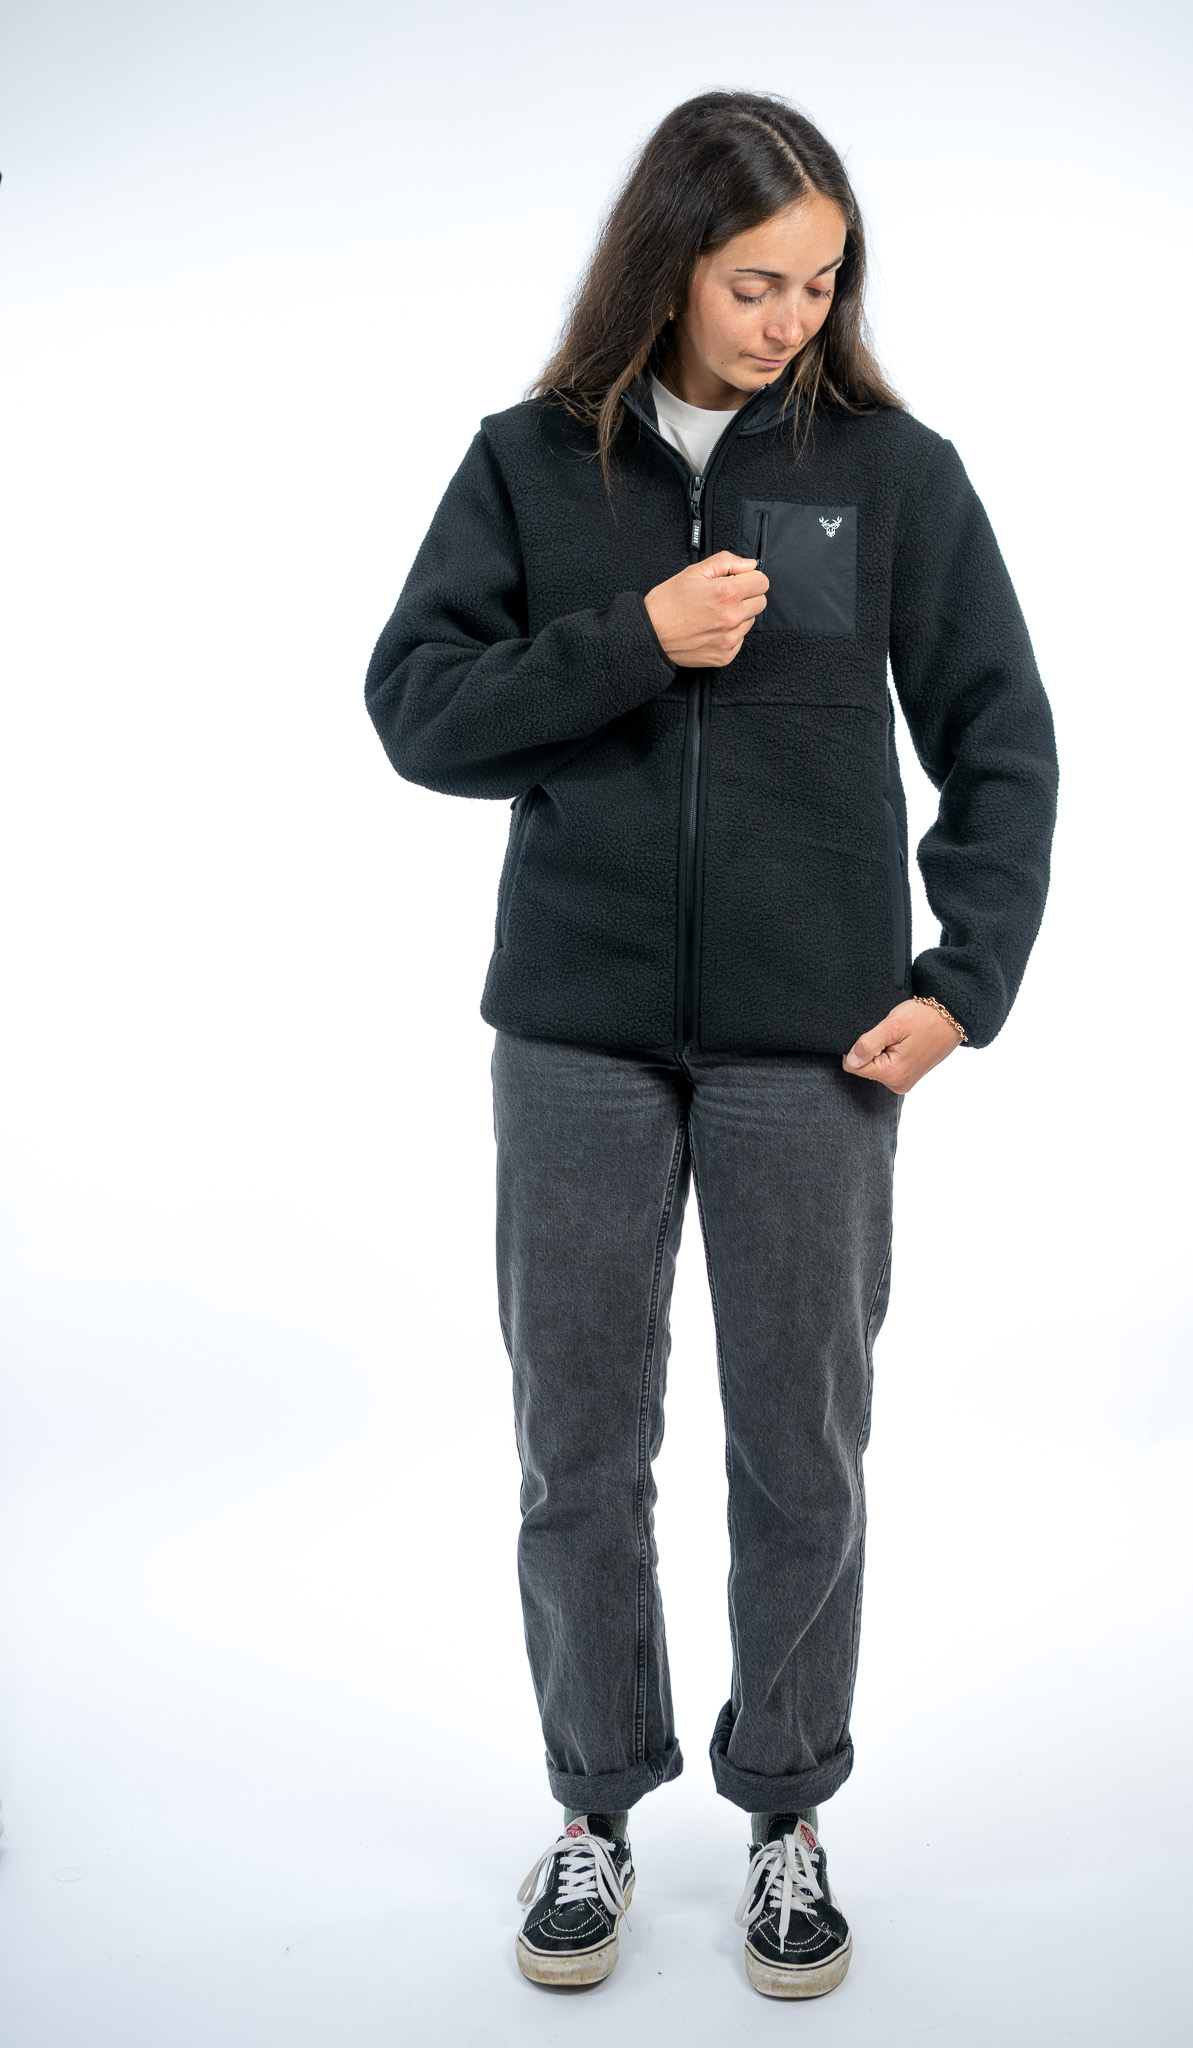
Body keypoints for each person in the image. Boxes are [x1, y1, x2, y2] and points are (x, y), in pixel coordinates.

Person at [365, 89, 1057, 2001]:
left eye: (821, 284)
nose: (789, 319)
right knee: (578, 1448)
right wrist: (633, 638)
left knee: (800, 1452)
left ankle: (786, 1814)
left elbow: (1000, 738)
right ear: (669, 262)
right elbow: (417, 710)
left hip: (812, 1049)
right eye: (757, 281)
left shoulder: (892, 473)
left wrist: (964, 977)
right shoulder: (526, 465)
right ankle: (591, 1808)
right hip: (574, 1037)